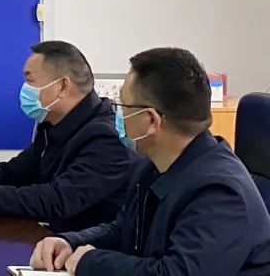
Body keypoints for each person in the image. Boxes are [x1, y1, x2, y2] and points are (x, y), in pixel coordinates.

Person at [31, 47, 270, 275]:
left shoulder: (221, 193)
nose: (117, 114)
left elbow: (175, 273)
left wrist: (91, 262)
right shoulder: (155, 165)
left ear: (151, 120)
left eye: (121, 105)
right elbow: (124, 228)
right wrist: (70, 242)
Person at [0, 41, 133, 232]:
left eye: (29, 80)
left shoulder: (106, 138)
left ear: (62, 86)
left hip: (84, 250)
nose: (24, 89)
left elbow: (56, 200)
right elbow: (15, 172)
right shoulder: (53, 125)